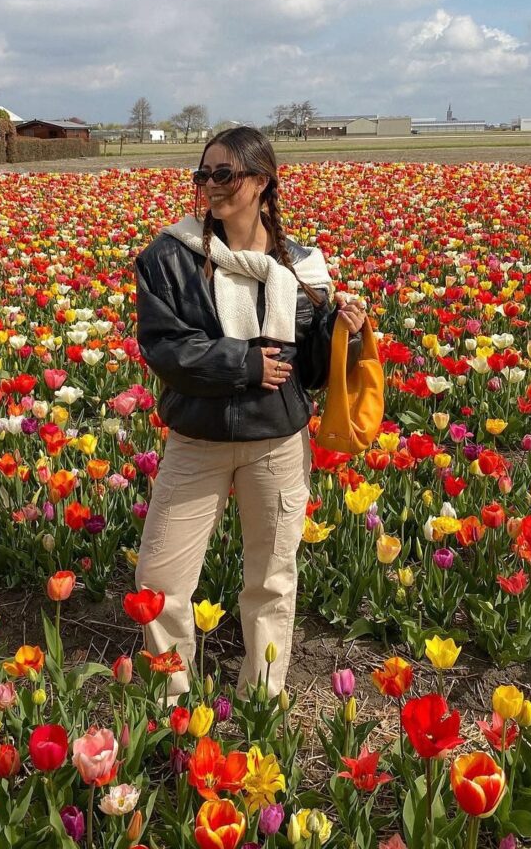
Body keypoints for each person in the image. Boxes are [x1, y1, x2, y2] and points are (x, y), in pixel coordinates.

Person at [133, 126, 367, 701]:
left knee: (271, 580)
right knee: (159, 580)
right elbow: (165, 348)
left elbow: (309, 371)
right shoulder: (171, 257)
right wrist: (244, 365)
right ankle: (172, 702)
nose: (211, 186)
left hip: (277, 441)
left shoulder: (304, 268)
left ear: (262, 181)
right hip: (198, 439)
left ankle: (261, 699)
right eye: (203, 175)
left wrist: (346, 335)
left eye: (225, 175)